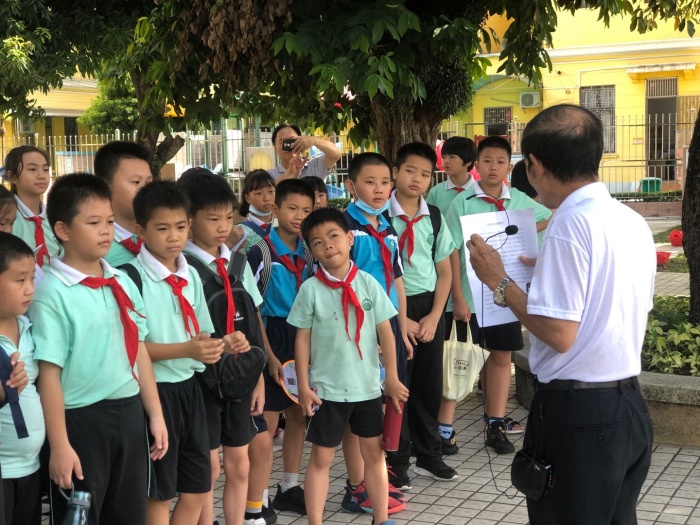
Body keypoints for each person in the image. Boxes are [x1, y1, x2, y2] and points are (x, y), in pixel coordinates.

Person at [467, 103, 655, 524]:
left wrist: (500, 281)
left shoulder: (569, 224)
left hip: (579, 415)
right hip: (628, 405)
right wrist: (547, 272)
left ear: (535, 166)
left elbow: (559, 333)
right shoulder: (629, 220)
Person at [31, 174, 167, 524]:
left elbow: (138, 351)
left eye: (109, 221)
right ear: (63, 230)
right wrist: (60, 445)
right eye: (93, 223)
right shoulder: (52, 293)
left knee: (129, 514)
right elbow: (49, 374)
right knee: (81, 516)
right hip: (80, 421)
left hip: (129, 413)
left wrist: (154, 414)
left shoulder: (120, 280)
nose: (105, 231)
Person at [127, 181, 246, 525]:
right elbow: (134, 349)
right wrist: (189, 349)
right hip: (154, 393)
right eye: (162, 228)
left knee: (198, 484)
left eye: (180, 227)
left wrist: (225, 343)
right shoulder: (130, 278)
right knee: (160, 492)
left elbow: (201, 335)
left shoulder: (190, 273)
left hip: (191, 390)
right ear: (141, 231)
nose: (174, 237)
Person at [288, 207, 409, 525]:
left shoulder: (368, 283)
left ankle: (381, 519)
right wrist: (303, 387)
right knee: (321, 458)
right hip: (326, 390)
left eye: (333, 236)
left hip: (367, 387)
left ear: (350, 238)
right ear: (311, 251)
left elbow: (387, 333)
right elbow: (301, 341)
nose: (327, 245)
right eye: (317, 242)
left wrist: (392, 378)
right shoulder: (310, 290)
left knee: (375, 456)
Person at [446, 136, 551, 455]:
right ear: (476, 165)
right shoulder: (462, 203)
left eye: (500, 161)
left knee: (502, 356)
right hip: (469, 296)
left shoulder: (519, 200)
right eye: (487, 161)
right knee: (460, 358)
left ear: (509, 167)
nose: (493, 167)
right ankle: (444, 427)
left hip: (505, 296)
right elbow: (450, 252)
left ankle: (495, 424)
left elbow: (550, 217)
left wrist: (526, 230)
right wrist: (457, 298)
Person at [177, 172, 266, 525]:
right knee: (207, 468)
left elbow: (253, 318)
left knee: (240, 463)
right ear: (189, 219)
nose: (223, 227)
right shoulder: (182, 268)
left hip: (239, 377)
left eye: (228, 217)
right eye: (212, 218)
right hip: (202, 381)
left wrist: (258, 376)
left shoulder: (238, 263)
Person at [342, 152, 413, 494]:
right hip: (358, 330)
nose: (379, 189)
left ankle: (378, 479)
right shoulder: (345, 229)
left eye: (385, 182)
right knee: (359, 408)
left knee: (386, 401)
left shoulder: (387, 227)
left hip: (388, 327)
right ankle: (356, 485)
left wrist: (402, 327)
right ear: (351, 186)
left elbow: (396, 279)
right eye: (370, 182)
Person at [386, 143, 456, 482]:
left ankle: (429, 454)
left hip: (429, 308)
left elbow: (445, 272)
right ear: (395, 172)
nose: (417, 179)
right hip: (392, 308)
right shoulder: (381, 217)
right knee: (398, 385)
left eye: (425, 174)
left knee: (429, 386)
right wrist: (402, 320)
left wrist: (434, 316)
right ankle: (397, 461)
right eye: (410, 171)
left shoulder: (435, 217)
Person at [246, 179, 315, 517]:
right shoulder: (260, 251)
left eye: (306, 210)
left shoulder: (310, 250)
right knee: (267, 422)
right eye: (292, 208)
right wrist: (269, 356)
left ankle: (289, 485)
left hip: (302, 335)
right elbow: (252, 307)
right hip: (271, 333)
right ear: (275, 209)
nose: (299, 216)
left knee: (299, 414)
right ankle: (258, 497)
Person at [426, 135, 478, 456]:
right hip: (437, 285)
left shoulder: (478, 193)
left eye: (452, 157)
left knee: (458, 355)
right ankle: (431, 424)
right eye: (444, 156)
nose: (445, 161)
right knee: (438, 358)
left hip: (468, 288)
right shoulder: (435, 192)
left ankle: (445, 425)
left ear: (468, 162)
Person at [0, 233, 40, 525]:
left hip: (31, 467)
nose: (30, 289)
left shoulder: (29, 326)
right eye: (20, 280)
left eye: (32, 278)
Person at [94, 140, 153, 266]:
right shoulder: (92, 248)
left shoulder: (161, 236)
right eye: (136, 182)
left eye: (149, 182)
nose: (146, 189)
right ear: (106, 186)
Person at [5, 146, 61, 270]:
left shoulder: (56, 217)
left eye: (45, 169)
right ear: (12, 177)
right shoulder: (6, 219)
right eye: (32, 169)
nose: (41, 176)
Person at [267, 124, 341, 183]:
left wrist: (314, 140)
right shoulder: (269, 176)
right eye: (282, 141)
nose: (288, 144)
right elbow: (268, 194)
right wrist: (289, 173)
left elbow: (335, 154)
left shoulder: (315, 166)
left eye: (292, 139)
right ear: (275, 148)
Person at [239, 170, 276, 254]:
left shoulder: (283, 226)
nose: (267, 198)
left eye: (271, 191)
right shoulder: (242, 231)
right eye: (259, 193)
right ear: (247, 198)